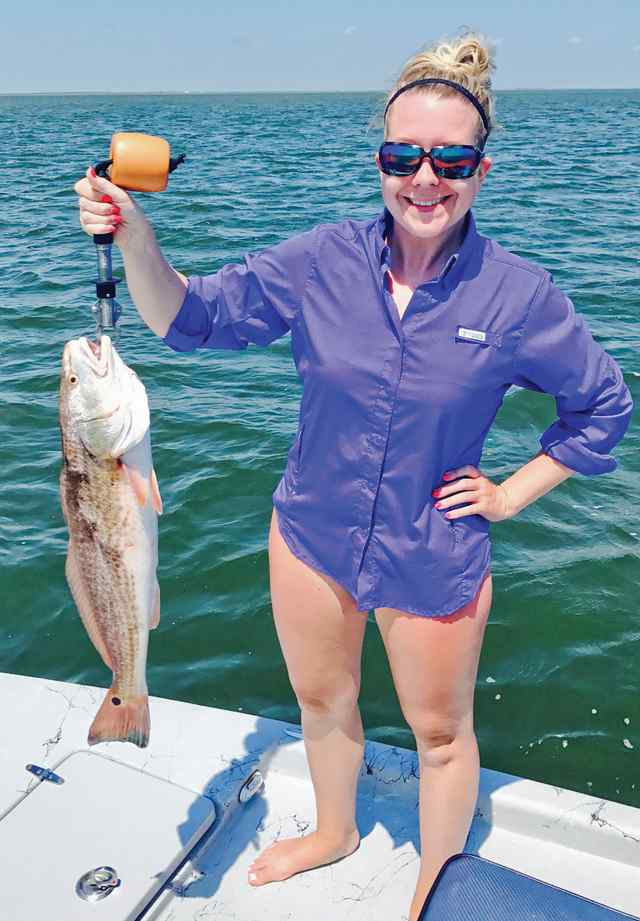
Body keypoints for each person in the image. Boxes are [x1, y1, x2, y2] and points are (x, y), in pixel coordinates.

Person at [74, 30, 633, 921]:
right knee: (322, 700)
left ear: (481, 171)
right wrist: (138, 237)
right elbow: (190, 318)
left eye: (451, 160)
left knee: (440, 735)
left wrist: (509, 493)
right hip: (311, 532)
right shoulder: (321, 261)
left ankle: (439, 884)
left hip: (435, 548)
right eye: (402, 156)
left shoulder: (521, 296)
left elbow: (603, 406)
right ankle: (333, 830)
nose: (425, 178)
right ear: (379, 161)